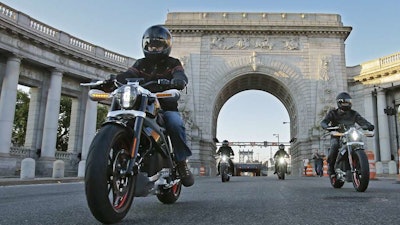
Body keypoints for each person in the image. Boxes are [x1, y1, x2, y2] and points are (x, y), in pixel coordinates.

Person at [114, 25, 194, 187]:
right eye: (150, 45)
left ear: (165, 47)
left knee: (175, 123)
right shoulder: (140, 63)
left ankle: (181, 162)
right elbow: (129, 74)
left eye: (157, 45)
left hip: (165, 107)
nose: (153, 48)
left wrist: (179, 80)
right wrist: (115, 78)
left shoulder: (173, 63)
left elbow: (180, 73)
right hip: (142, 106)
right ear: (145, 46)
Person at [320, 92, 374, 176]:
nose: (346, 104)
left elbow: (362, 121)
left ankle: (359, 165)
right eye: (344, 102)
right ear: (339, 103)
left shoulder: (354, 113)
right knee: (334, 145)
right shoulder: (333, 113)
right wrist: (326, 126)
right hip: (337, 135)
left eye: (348, 102)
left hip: (350, 134)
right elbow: (324, 122)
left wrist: (369, 125)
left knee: (359, 143)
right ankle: (331, 166)